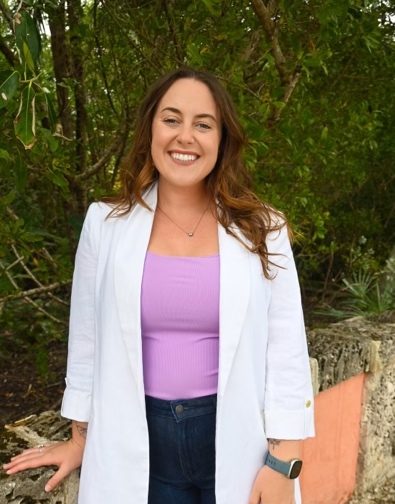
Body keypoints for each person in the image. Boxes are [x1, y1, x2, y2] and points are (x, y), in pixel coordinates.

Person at [3, 68, 315, 504]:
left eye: (203, 124)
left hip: (238, 442)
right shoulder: (105, 223)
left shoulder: (263, 228)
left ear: (222, 139)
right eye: (171, 119)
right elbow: (87, 337)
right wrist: (79, 436)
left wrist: (285, 463)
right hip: (137, 441)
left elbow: (286, 350)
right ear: (150, 127)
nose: (185, 136)